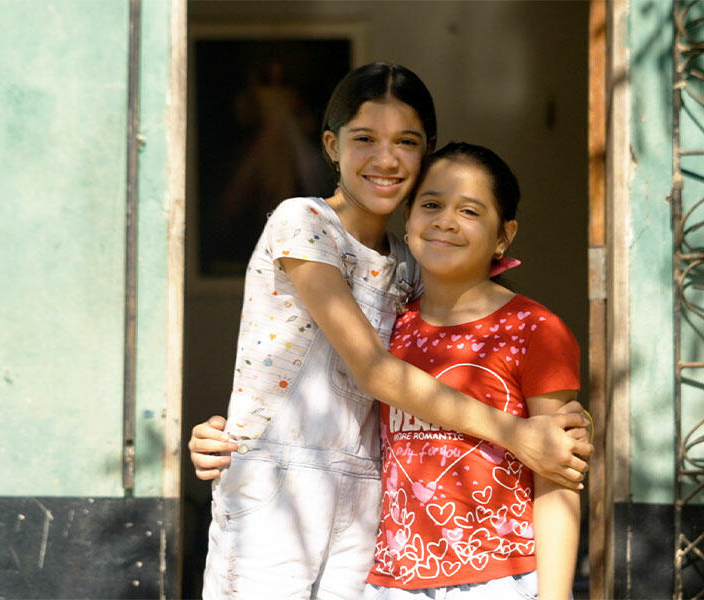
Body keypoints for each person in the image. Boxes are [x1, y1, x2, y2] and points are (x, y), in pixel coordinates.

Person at [194, 62, 592, 599]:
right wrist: (518, 433)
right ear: (331, 146)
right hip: (279, 481)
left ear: (425, 152)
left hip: (370, 497)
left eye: (406, 141)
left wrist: (555, 417)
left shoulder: (409, 265)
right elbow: (375, 370)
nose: (385, 159)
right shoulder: (303, 222)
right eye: (364, 139)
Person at [364, 142, 580, 599]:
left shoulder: (535, 329)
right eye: (431, 204)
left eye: (470, 211)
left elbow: (557, 475)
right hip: (392, 580)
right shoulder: (386, 326)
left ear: (504, 236)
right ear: (408, 216)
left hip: (502, 580)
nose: (445, 221)